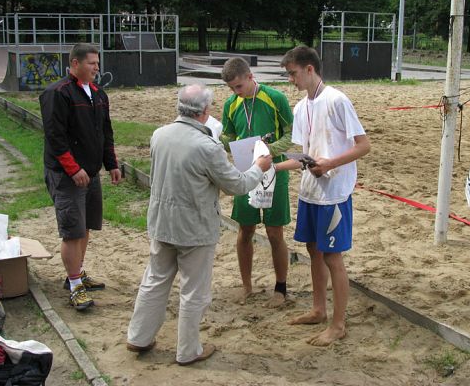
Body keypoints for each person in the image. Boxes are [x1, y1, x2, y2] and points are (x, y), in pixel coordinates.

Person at [126, 84, 272, 365]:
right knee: (194, 290)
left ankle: (139, 336)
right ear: (205, 111)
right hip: (193, 227)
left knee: (154, 280)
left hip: (162, 221)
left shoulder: (160, 135)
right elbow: (236, 185)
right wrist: (259, 167)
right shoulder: (207, 146)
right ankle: (188, 351)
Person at [277, 46, 370, 346]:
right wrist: (270, 167)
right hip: (311, 190)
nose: (291, 80)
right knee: (313, 250)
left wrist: (329, 163)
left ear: (309, 69)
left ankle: (338, 324)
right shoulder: (301, 107)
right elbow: (301, 155)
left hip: (334, 192)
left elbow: (363, 145)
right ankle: (319, 309)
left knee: (332, 255)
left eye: (293, 73)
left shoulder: (337, 100)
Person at [40, 43, 121, 311]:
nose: (97, 68)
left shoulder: (98, 94)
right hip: (67, 175)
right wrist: (73, 169)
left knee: (85, 227)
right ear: (75, 63)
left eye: (97, 64)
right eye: (91, 63)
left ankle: (76, 273)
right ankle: (75, 285)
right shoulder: (58, 93)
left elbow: (105, 132)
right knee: (72, 231)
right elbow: (55, 137)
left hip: (91, 171)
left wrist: (111, 164)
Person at [220, 57, 294, 307]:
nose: (235, 92)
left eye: (239, 87)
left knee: (274, 232)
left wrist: (267, 150)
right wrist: (222, 140)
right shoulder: (231, 104)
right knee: (245, 230)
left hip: (275, 170)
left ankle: (280, 288)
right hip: (245, 171)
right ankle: (247, 287)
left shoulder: (275, 98)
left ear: (250, 77)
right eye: (231, 88)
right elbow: (228, 134)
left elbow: (291, 134)